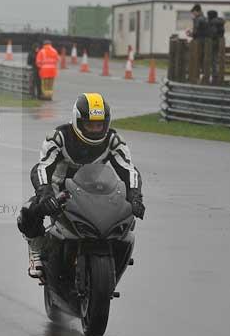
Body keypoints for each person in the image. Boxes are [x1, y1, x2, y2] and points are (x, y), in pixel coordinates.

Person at [15, 93, 144, 280]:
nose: (95, 129)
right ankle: (36, 249)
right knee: (28, 211)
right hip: (60, 193)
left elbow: (129, 170)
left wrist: (135, 197)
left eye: (99, 125)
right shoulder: (59, 137)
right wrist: (45, 194)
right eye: (89, 124)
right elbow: (41, 168)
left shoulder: (114, 140)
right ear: (77, 121)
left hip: (97, 192)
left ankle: (116, 254)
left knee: (128, 214)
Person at [206, 10, 226, 83]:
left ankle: (214, 76)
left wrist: (208, 36)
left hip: (213, 42)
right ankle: (217, 75)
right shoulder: (220, 22)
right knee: (217, 59)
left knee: (212, 59)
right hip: (219, 42)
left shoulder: (212, 22)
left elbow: (213, 32)